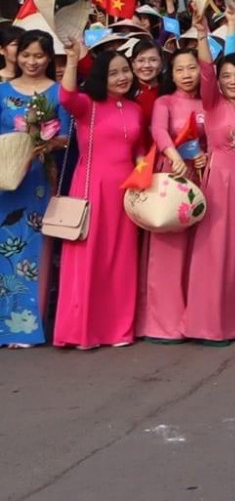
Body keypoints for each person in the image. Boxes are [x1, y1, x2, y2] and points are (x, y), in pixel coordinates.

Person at [52, 35, 146, 350]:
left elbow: (139, 149)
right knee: (88, 260)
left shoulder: (135, 108)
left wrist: (143, 167)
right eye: (113, 73)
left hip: (125, 192)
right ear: (100, 77)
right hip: (92, 188)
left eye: (125, 71)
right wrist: (71, 56)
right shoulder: (87, 105)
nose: (122, 77)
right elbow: (66, 98)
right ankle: (81, 331)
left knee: (121, 260)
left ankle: (118, 329)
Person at [183, 50, 235, 343]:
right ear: (217, 80)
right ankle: (207, 323)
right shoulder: (213, 103)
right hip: (219, 183)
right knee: (215, 252)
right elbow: (205, 69)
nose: (233, 81)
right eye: (226, 76)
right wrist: (202, 34)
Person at [0, 30, 71, 346]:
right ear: (15, 55)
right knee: (4, 251)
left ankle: (27, 327)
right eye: (26, 54)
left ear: (49, 58)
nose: (31, 61)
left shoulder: (58, 93)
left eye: (39, 55)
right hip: (6, 181)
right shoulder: (2, 91)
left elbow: (69, 136)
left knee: (34, 251)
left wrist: (45, 143)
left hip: (41, 181)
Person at [139, 37, 209, 342]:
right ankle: (161, 322)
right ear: (172, 73)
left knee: (197, 251)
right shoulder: (164, 102)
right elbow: (158, 131)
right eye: (179, 69)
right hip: (172, 174)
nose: (186, 74)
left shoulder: (208, 102)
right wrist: (176, 158)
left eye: (192, 67)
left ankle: (191, 316)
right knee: (168, 251)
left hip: (201, 176)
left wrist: (207, 154)